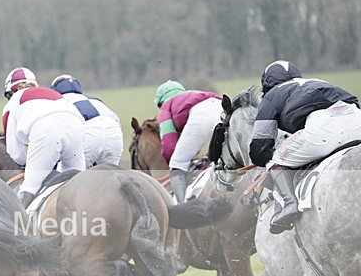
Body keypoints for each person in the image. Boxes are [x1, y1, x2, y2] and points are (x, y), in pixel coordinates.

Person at [249, 60, 361, 233]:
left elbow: (260, 148)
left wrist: (265, 156)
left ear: (267, 85)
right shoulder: (317, 82)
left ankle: (289, 205)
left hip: (322, 130)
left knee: (274, 160)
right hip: (356, 119)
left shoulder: (271, 97)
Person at [2, 67, 85, 208]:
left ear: (10, 91)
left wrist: (26, 164)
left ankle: (19, 221)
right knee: (79, 184)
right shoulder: (52, 93)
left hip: (46, 130)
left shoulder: (13, 102)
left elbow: (15, 152)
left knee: (29, 187)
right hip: (77, 126)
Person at [154, 80, 222, 202]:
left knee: (177, 163)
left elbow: (169, 146)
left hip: (202, 115)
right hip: (221, 108)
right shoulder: (194, 95)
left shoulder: (165, 108)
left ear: (160, 102)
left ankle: (182, 207)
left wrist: (176, 165)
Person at [50, 74, 123, 167]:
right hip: (114, 131)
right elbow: (116, 121)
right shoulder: (95, 100)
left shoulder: (58, 103)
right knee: (110, 173)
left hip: (89, 131)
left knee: (67, 173)